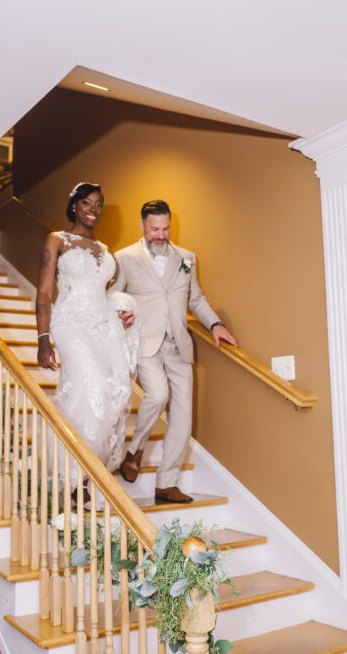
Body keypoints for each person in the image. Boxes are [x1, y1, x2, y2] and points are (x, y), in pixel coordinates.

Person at [112, 200, 237, 503]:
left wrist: (215, 324)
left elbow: (196, 299)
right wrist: (120, 313)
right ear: (142, 225)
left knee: (182, 416)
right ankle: (135, 450)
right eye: (155, 228)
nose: (161, 234)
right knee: (156, 395)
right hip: (144, 340)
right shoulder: (124, 258)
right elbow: (113, 295)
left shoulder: (187, 258)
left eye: (166, 228)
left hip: (179, 343)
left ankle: (166, 484)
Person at [36, 182, 137, 474]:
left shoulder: (104, 250)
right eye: (86, 203)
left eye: (98, 204)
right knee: (93, 386)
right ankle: (74, 473)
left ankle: (86, 471)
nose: (92, 210)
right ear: (74, 206)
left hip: (102, 327)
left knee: (111, 392)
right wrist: (43, 338)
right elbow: (44, 293)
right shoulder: (57, 240)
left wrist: (119, 314)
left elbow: (102, 295)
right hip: (69, 323)